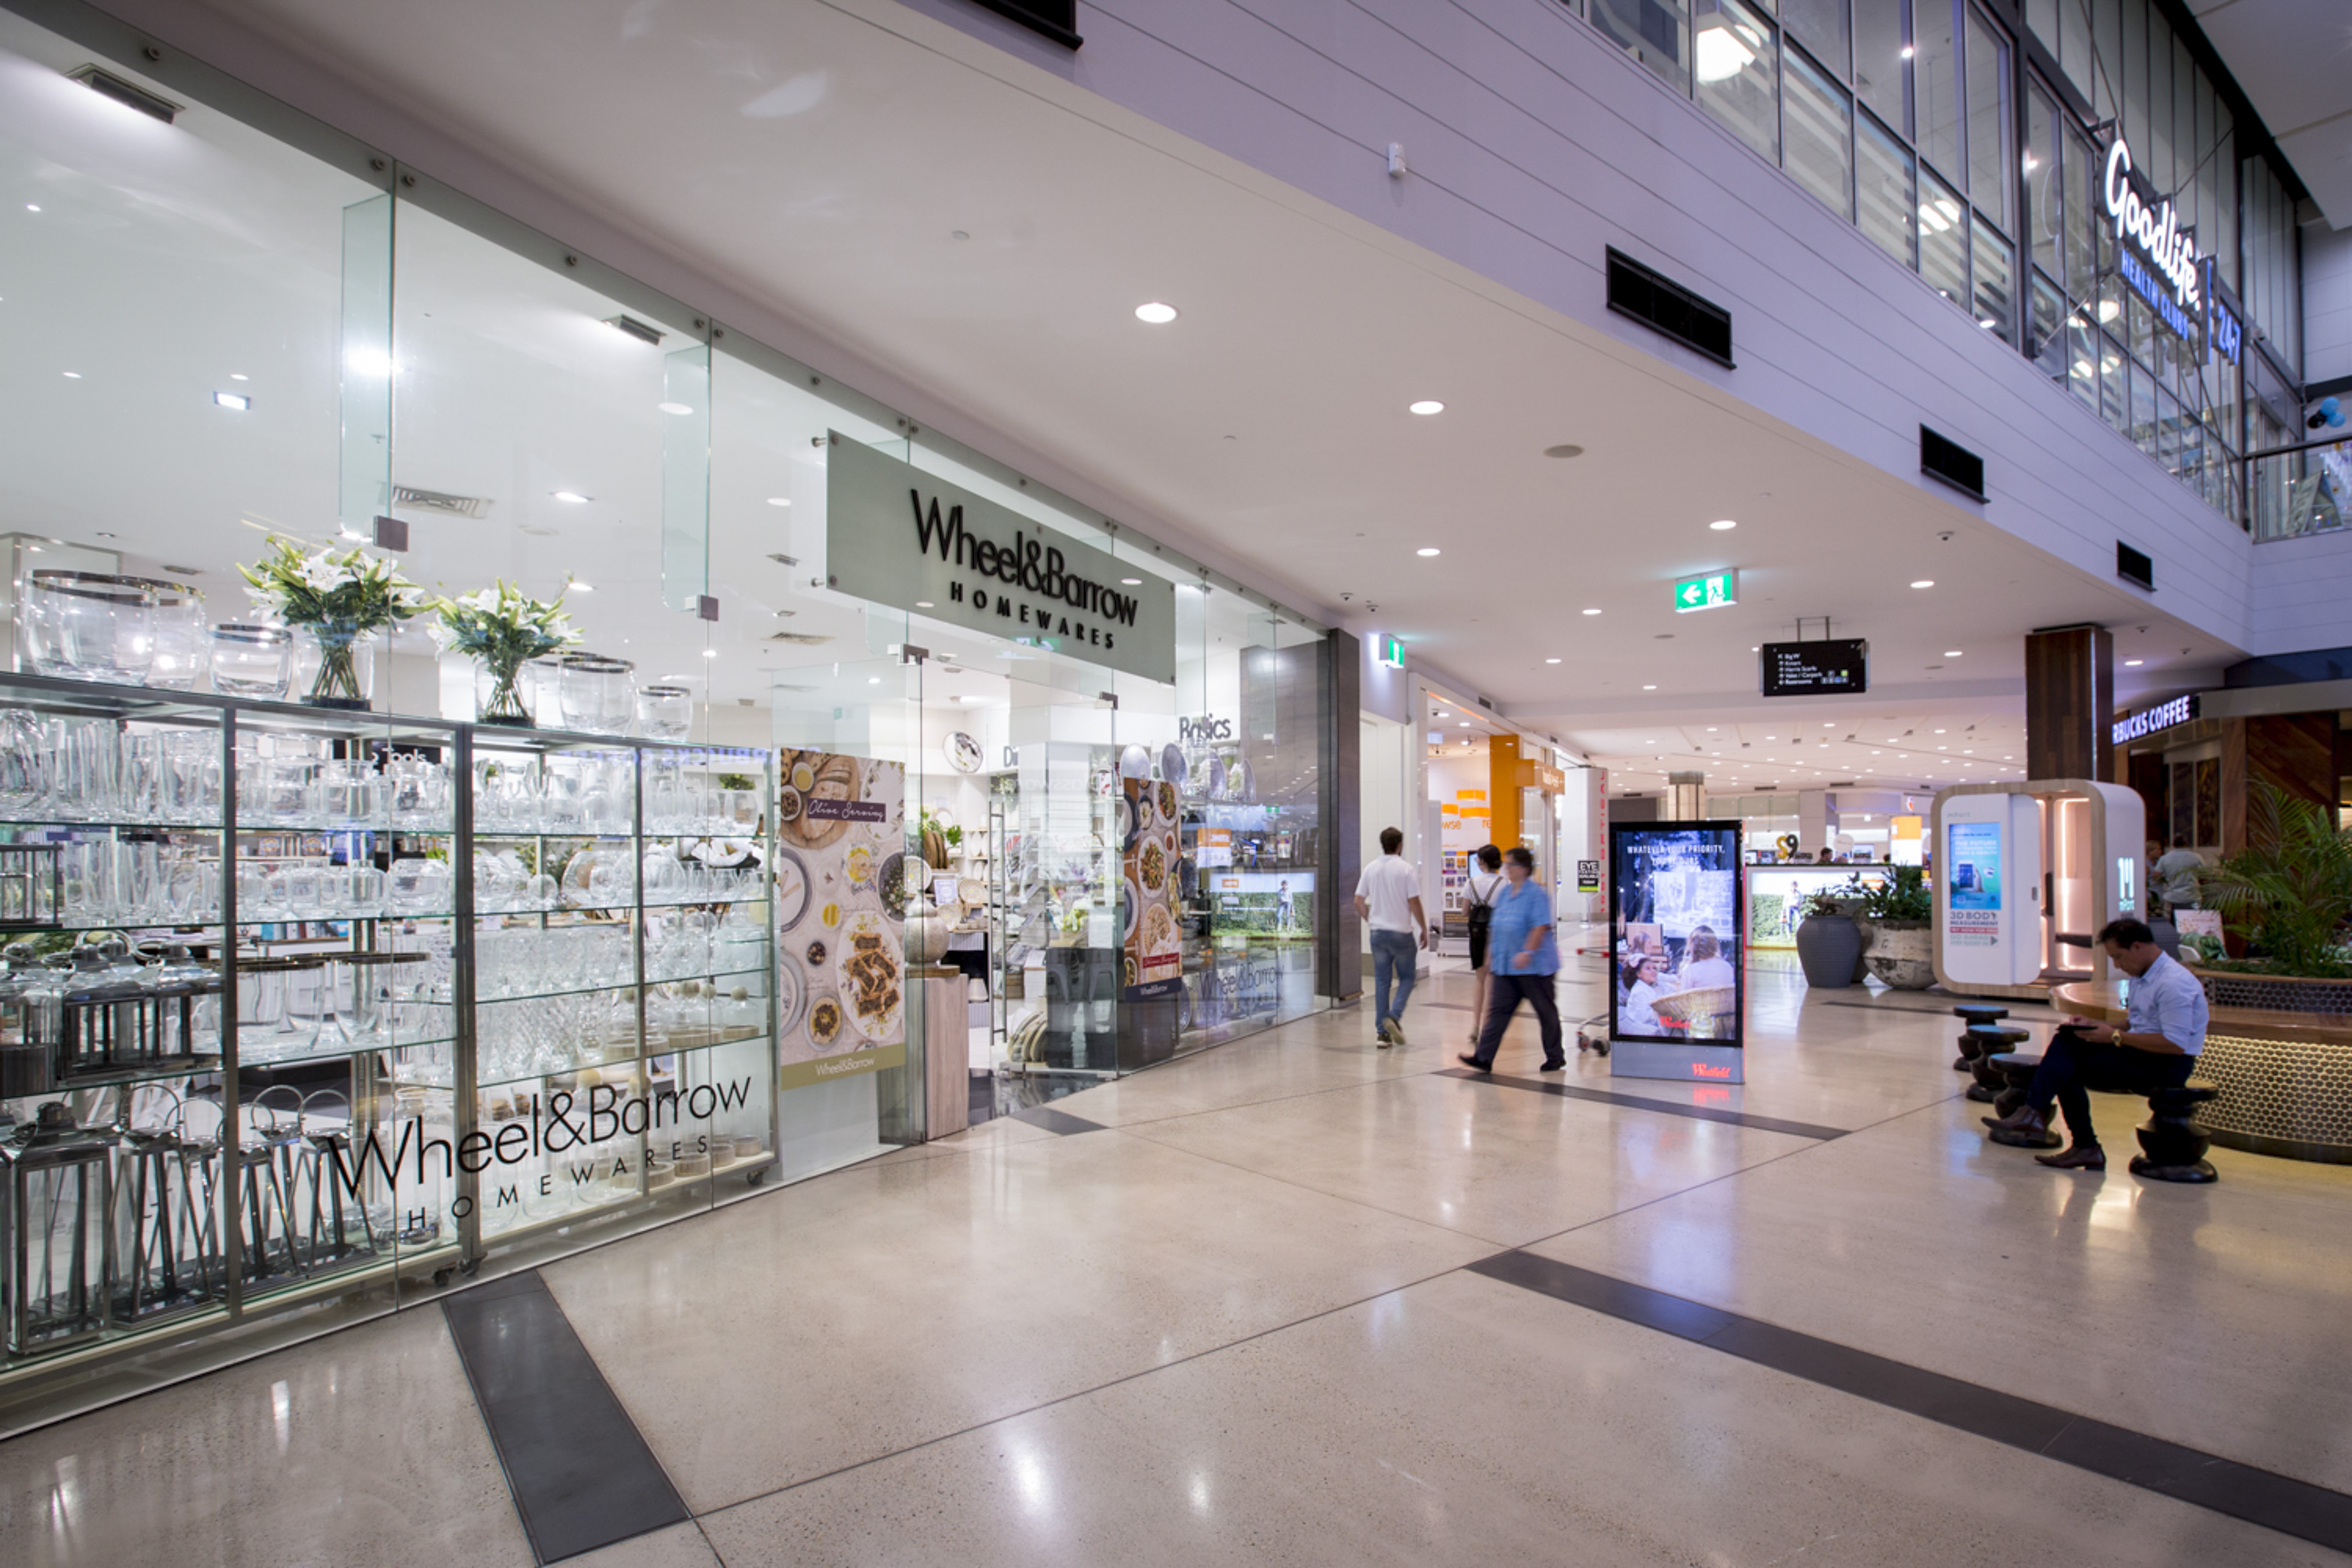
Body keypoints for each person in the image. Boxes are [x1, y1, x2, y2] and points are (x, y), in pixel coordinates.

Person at [1983, 918, 2206, 1170]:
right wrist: (2100, 1026)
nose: (2118, 965)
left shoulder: (2174, 983)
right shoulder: (2143, 976)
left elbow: (2175, 1045)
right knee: (2069, 1037)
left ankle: (2060, 1129)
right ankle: (2043, 1119)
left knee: (2067, 1066)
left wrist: (2115, 1037)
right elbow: (2137, 1023)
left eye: (2118, 957)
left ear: (2137, 947)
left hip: (2167, 1066)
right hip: (2141, 1053)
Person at [1459, 847, 1564, 1072]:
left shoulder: (1536, 895)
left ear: (1524, 869)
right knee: (1498, 1012)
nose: (1507, 868)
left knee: (1545, 1011)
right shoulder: (1506, 893)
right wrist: (1490, 955)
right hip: (1507, 966)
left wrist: (1528, 952)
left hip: (1535, 968)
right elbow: (1496, 927)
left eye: (1511, 864)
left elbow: (1540, 926)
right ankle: (1484, 1057)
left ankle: (1555, 1056)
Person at [1354, 826, 1430, 1047]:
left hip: (1378, 933)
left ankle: (1382, 1034)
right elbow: (1414, 902)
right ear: (1400, 845)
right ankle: (1394, 1016)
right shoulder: (1406, 870)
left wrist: (1372, 920)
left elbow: (1358, 901)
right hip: (1401, 933)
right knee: (1407, 978)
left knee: (1382, 982)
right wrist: (1424, 928)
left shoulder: (1371, 868)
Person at [1462, 844, 1505, 1051]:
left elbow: (1464, 912)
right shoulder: (1505, 884)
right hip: (1497, 935)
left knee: (1480, 980)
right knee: (1495, 981)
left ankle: (1475, 1026)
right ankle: (1491, 1026)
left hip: (1477, 934)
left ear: (1482, 862)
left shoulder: (1472, 883)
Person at [2153, 836, 2206, 913]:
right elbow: (2205, 874)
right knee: (2193, 922)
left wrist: (2166, 880)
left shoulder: (2165, 858)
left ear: (2173, 845)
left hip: (2172, 896)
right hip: (2192, 897)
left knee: (2170, 923)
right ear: (2186, 844)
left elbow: (2156, 876)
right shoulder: (2196, 857)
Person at [1618, 953, 1668, 1034]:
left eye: (1654, 968)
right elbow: (1642, 1018)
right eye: (1648, 969)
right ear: (1639, 974)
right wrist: (1662, 1010)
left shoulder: (1648, 988)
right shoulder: (1639, 992)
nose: (1653, 971)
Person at [1677, 925, 1736, 993]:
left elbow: (1683, 999)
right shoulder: (1727, 967)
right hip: (1726, 1004)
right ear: (1715, 944)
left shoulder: (1690, 971)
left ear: (1693, 946)